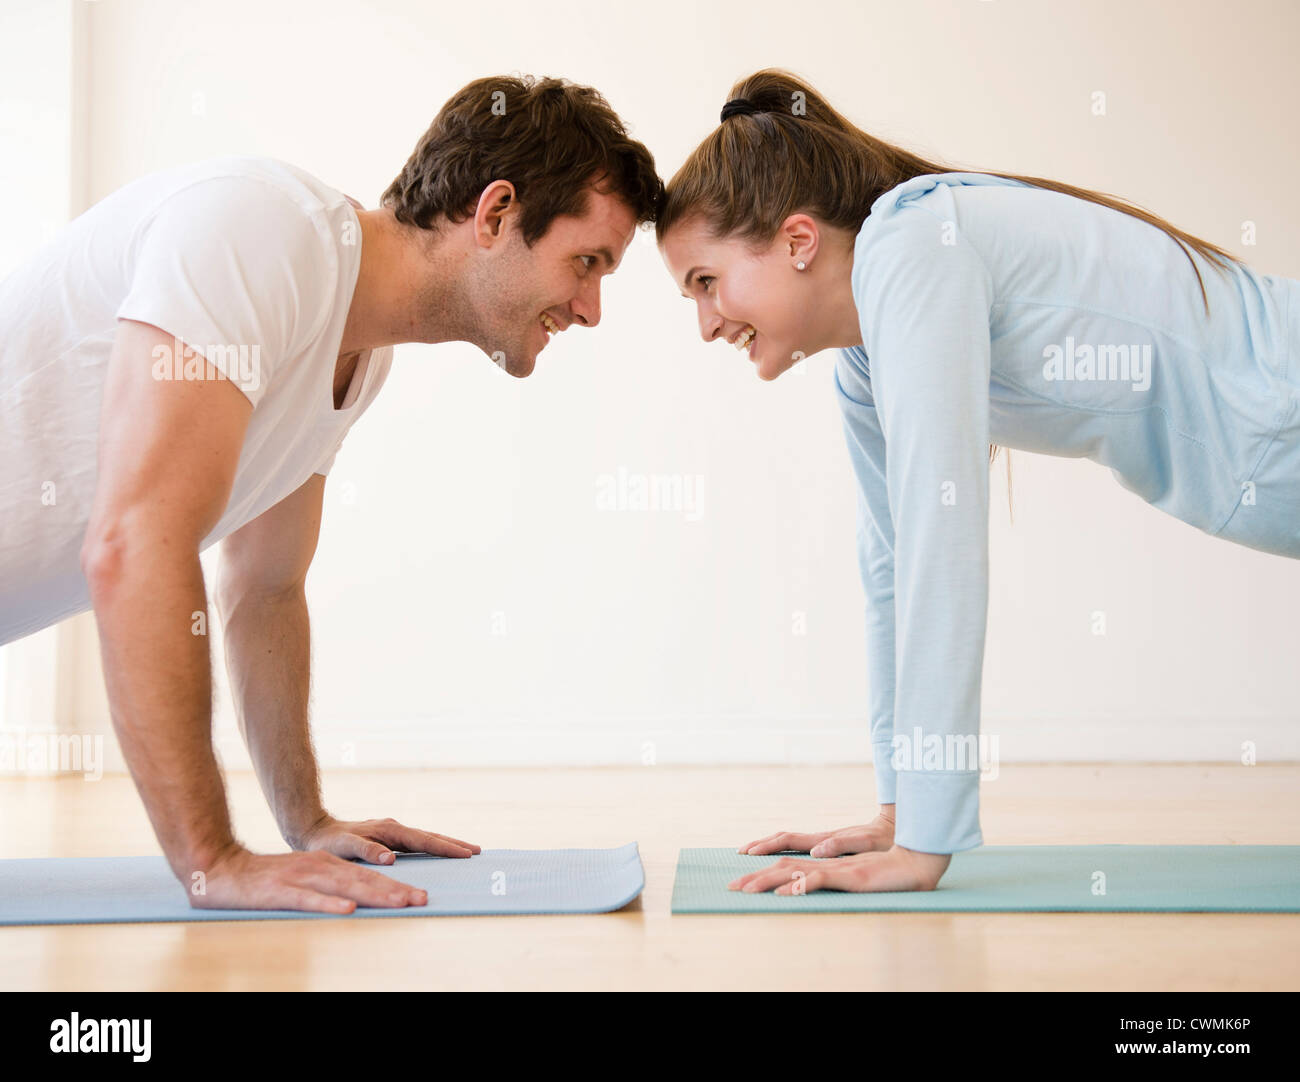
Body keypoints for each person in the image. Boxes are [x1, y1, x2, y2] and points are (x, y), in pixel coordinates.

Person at [0, 74, 662, 913]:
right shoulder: (260, 233)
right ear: (495, 215)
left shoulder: (358, 351)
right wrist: (212, 859)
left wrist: (306, 820)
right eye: (588, 262)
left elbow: (264, 586)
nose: (592, 307)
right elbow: (133, 545)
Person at [656, 68, 1299, 895]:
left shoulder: (916, 246)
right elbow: (893, 567)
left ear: (797, 241)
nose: (706, 324)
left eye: (706, 283)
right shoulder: (863, 359)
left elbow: (941, 545)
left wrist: (927, 841)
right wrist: (899, 810)